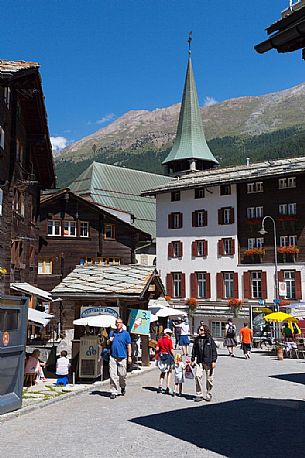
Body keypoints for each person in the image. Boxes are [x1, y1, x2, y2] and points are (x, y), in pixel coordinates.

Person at [191, 325, 217, 402]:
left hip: (208, 361)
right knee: (197, 376)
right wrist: (193, 359)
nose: (200, 331)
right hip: (199, 361)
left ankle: (209, 394)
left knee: (209, 379)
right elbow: (194, 350)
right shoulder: (197, 339)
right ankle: (199, 394)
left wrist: (214, 361)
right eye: (199, 329)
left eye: (201, 330)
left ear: (205, 331)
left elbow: (214, 351)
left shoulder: (209, 339)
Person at [108, 317, 132, 399]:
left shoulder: (126, 334)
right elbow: (107, 343)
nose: (118, 324)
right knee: (112, 375)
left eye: (119, 322)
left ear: (122, 324)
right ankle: (113, 391)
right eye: (117, 323)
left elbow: (129, 345)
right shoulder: (112, 333)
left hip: (122, 357)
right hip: (113, 357)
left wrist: (129, 356)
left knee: (122, 375)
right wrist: (109, 341)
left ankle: (122, 386)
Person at [156, 328, 175, 394]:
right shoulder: (169, 340)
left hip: (161, 357)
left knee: (162, 372)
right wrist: (174, 357)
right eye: (169, 334)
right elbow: (171, 349)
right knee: (169, 372)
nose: (170, 335)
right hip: (168, 357)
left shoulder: (160, 340)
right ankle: (167, 387)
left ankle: (160, 386)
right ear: (166, 333)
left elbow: (157, 348)